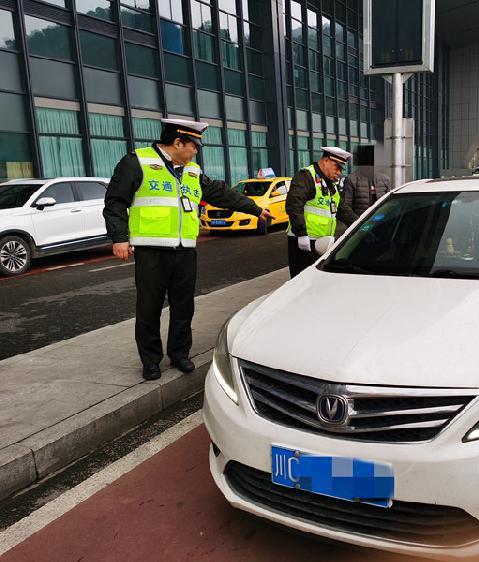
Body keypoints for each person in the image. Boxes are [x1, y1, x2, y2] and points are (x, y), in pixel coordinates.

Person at [103, 118, 274, 381]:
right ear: (178, 142)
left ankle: (180, 353)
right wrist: (119, 238)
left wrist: (254, 208)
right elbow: (115, 201)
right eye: (193, 146)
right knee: (148, 308)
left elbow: (220, 193)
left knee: (183, 307)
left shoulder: (192, 171)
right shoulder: (137, 162)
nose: (196, 151)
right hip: (151, 250)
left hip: (185, 251)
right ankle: (150, 361)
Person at [285, 147, 359, 278]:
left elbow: (342, 210)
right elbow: (294, 205)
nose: (339, 172)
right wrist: (302, 234)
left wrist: (360, 225)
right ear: (325, 160)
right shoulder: (306, 176)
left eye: (342, 169)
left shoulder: (330, 184)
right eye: (337, 167)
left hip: (322, 244)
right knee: (301, 282)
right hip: (303, 243)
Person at [342, 145, 391, 216]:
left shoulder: (385, 179)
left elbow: (389, 203)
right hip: (360, 222)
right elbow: (347, 205)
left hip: (381, 221)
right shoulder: (351, 179)